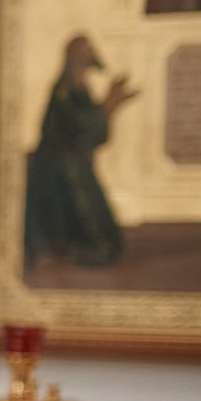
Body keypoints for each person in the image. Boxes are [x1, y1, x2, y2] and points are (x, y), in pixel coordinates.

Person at [25, 34, 133, 270]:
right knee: (92, 227)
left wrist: (110, 106)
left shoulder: (81, 88)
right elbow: (73, 125)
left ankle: (80, 248)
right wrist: (108, 104)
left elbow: (93, 133)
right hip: (58, 166)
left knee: (105, 235)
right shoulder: (63, 89)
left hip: (76, 164)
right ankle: (60, 249)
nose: (89, 53)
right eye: (83, 50)